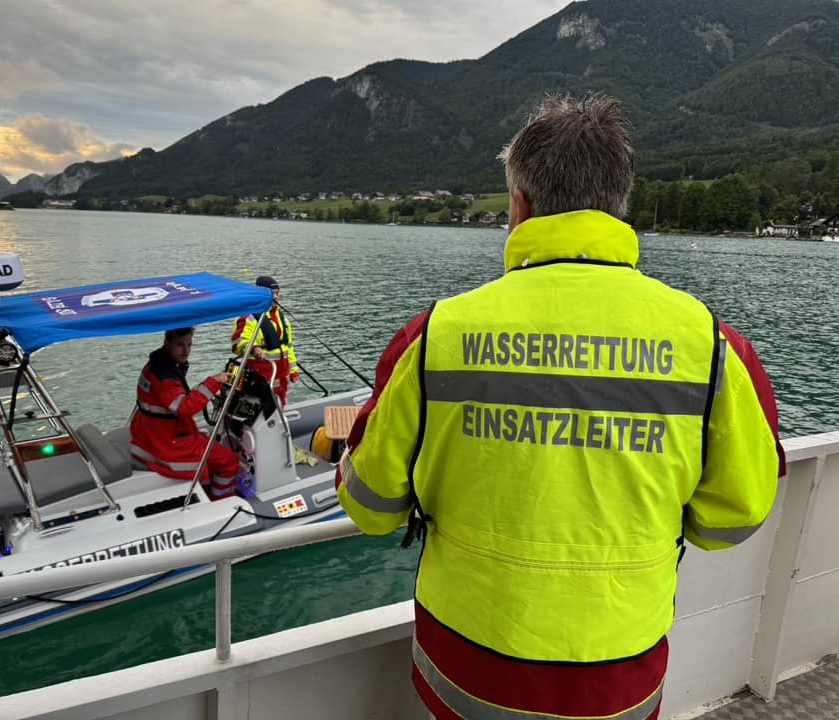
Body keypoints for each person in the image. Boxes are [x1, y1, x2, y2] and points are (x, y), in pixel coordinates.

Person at [336, 94, 786, 720]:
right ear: (619, 203)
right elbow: (733, 517)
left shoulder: (435, 334)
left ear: (518, 205)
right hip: (619, 675)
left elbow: (372, 505)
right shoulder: (712, 345)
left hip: (465, 669)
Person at [130, 327, 239, 500]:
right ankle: (218, 501)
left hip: (150, 434)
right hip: (166, 442)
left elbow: (173, 400)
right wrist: (214, 382)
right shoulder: (166, 378)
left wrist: (204, 388)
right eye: (180, 345)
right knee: (229, 462)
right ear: (167, 343)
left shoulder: (154, 366)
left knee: (211, 454)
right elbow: (184, 407)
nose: (186, 351)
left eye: (189, 345)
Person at [231, 276, 299, 405]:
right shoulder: (249, 317)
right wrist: (254, 348)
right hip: (260, 379)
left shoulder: (282, 318)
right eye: (272, 294)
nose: (276, 297)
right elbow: (238, 343)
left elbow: (288, 347)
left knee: (281, 404)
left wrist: (293, 371)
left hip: (281, 378)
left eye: (277, 293)